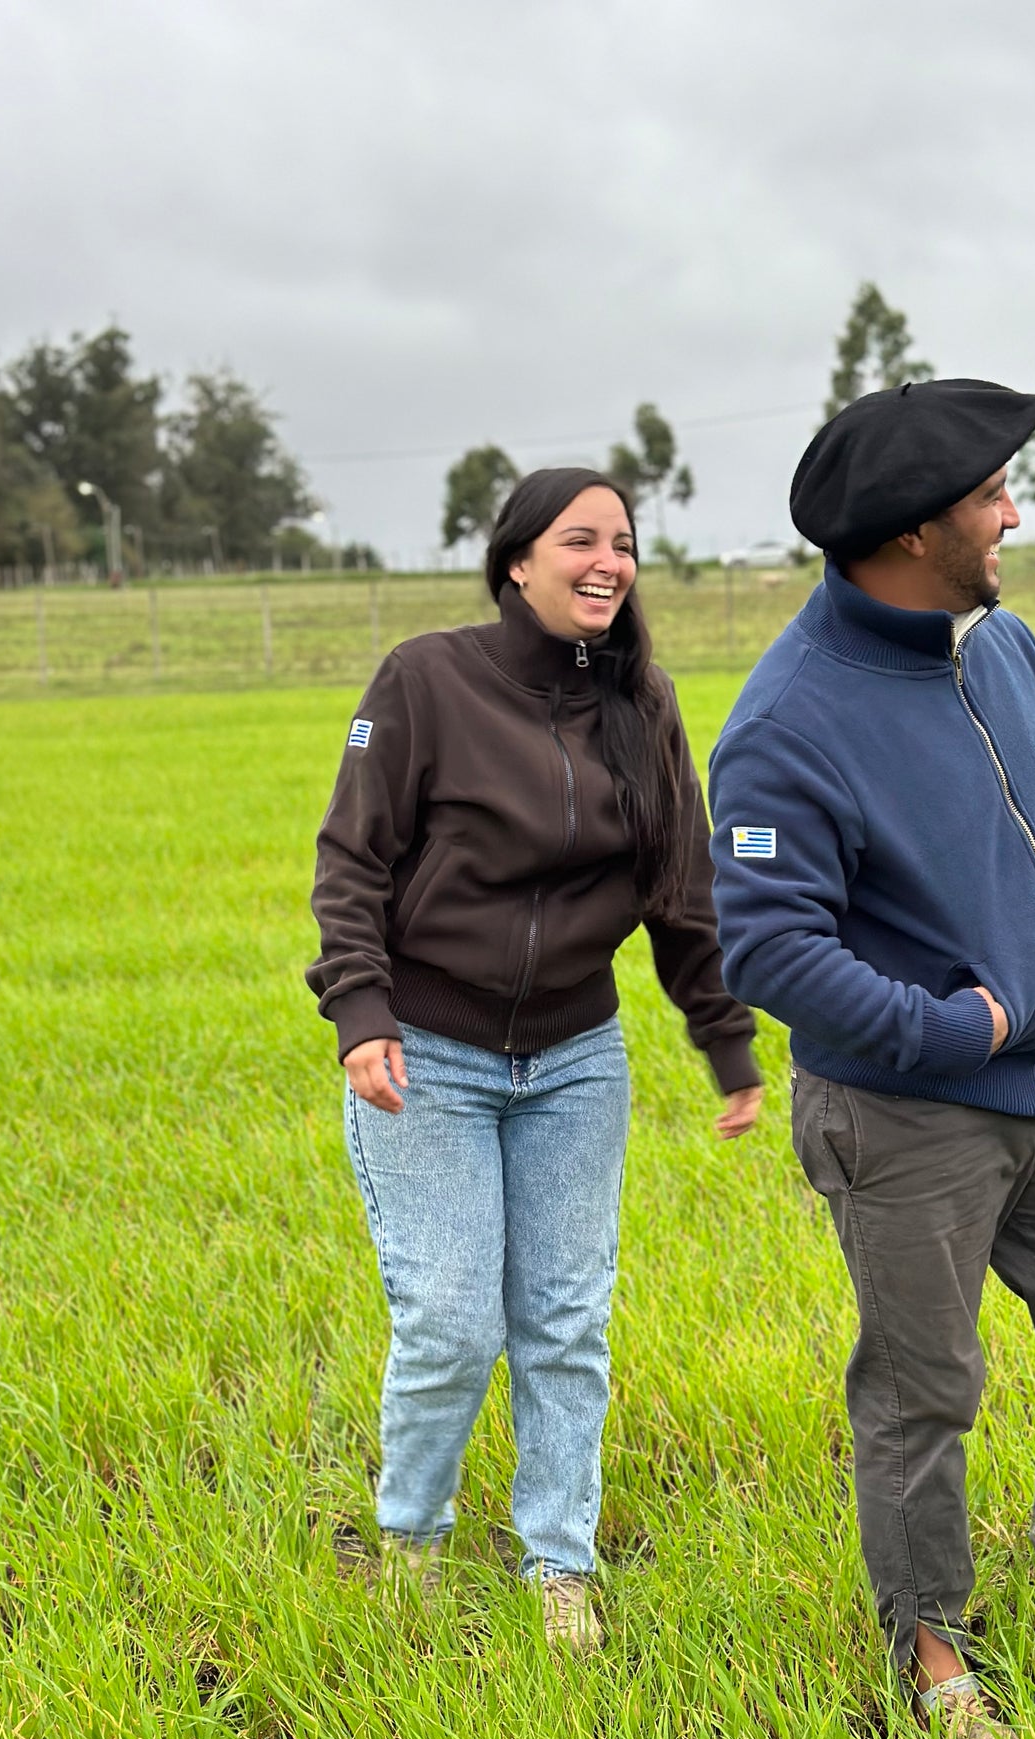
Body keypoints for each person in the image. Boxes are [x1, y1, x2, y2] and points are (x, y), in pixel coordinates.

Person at [707, 381, 1035, 1739]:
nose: (1011, 510)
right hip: (905, 1112)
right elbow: (768, 950)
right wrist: (959, 1029)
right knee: (923, 1387)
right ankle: (930, 1642)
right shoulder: (787, 719)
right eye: (992, 493)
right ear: (917, 530)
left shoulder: (1004, 647)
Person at [308, 468, 762, 1649]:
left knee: (563, 1319)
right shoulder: (425, 679)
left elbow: (681, 893)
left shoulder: (642, 702)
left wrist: (726, 1046)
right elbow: (352, 859)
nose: (608, 560)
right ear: (516, 560)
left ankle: (558, 1560)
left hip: (572, 1056)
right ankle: (406, 1536)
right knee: (454, 1317)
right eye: (580, 539)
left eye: (622, 541)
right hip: (428, 1053)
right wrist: (361, 1011)